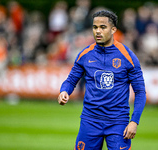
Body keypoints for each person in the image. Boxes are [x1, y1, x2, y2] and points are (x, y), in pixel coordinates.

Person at [58, 10, 146, 150]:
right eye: (95, 27)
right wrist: (64, 91)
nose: (98, 31)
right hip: (90, 120)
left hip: (118, 122)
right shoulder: (85, 54)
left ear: (113, 29)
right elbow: (71, 80)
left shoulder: (128, 57)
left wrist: (134, 121)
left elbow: (140, 92)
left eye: (102, 27)